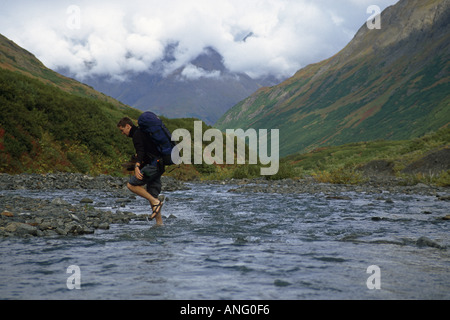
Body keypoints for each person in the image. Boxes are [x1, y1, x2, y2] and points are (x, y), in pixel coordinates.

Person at [117, 117, 164, 225]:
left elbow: (141, 150)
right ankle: (159, 223)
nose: (122, 133)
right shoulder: (143, 133)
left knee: (131, 185)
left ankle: (156, 203)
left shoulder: (137, 134)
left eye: (122, 130)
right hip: (158, 165)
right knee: (152, 194)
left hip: (153, 167)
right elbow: (146, 151)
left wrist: (137, 166)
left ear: (128, 126)